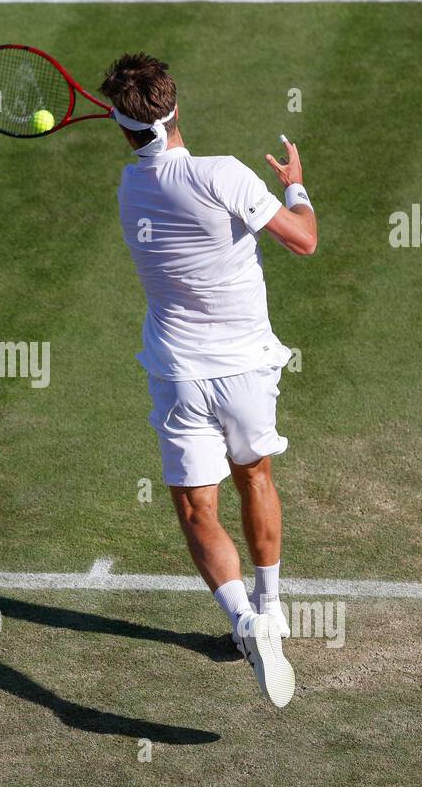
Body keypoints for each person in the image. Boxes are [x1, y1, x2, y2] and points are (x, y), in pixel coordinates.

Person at [99, 53, 318, 708]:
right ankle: (270, 608)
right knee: (256, 476)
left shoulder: (129, 188)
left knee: (197, 509)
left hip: (179, 374)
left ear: (124, 130)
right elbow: (303, 241)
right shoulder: (222, 174)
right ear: (176, 110)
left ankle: (243, 622)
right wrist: (295, 187)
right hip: (248, 367)